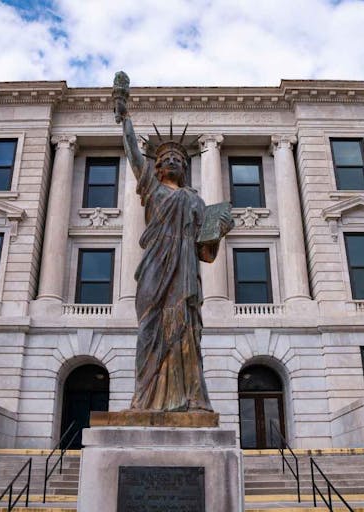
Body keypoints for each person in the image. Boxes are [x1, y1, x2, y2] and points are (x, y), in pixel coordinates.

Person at [114, 72, 233, 412]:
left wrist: (218, 233)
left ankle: (189, 398)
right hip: (155, 264)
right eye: (166, 160)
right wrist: (125, 117)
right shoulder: (150, 187)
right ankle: (144, 398)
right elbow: (135, 159)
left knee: (186, 332)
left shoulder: (194, 200)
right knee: (149, 328)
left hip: (185, 269)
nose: (172, 163)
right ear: (158, 167)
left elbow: (205, 253)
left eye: (179, 161)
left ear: (184, 168)